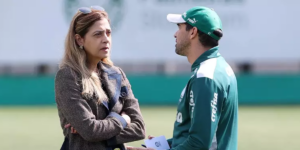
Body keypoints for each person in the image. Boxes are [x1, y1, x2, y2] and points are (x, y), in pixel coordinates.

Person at [127, 6, 238, 150]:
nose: (175, 34)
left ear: (193, 32)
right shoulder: (218, 67)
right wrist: (169, 144)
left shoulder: (206, 77)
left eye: (179, 27)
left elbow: (199, 144)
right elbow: (200, 134)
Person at [55, 6, 145, 150]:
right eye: (98, 34)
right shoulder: (68, 76)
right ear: (79, 40)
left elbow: (139, 127)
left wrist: (96, 132)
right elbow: (90, 131)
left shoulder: (117, 73)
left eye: (108, 33)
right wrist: (123, 119)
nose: (106, 39)